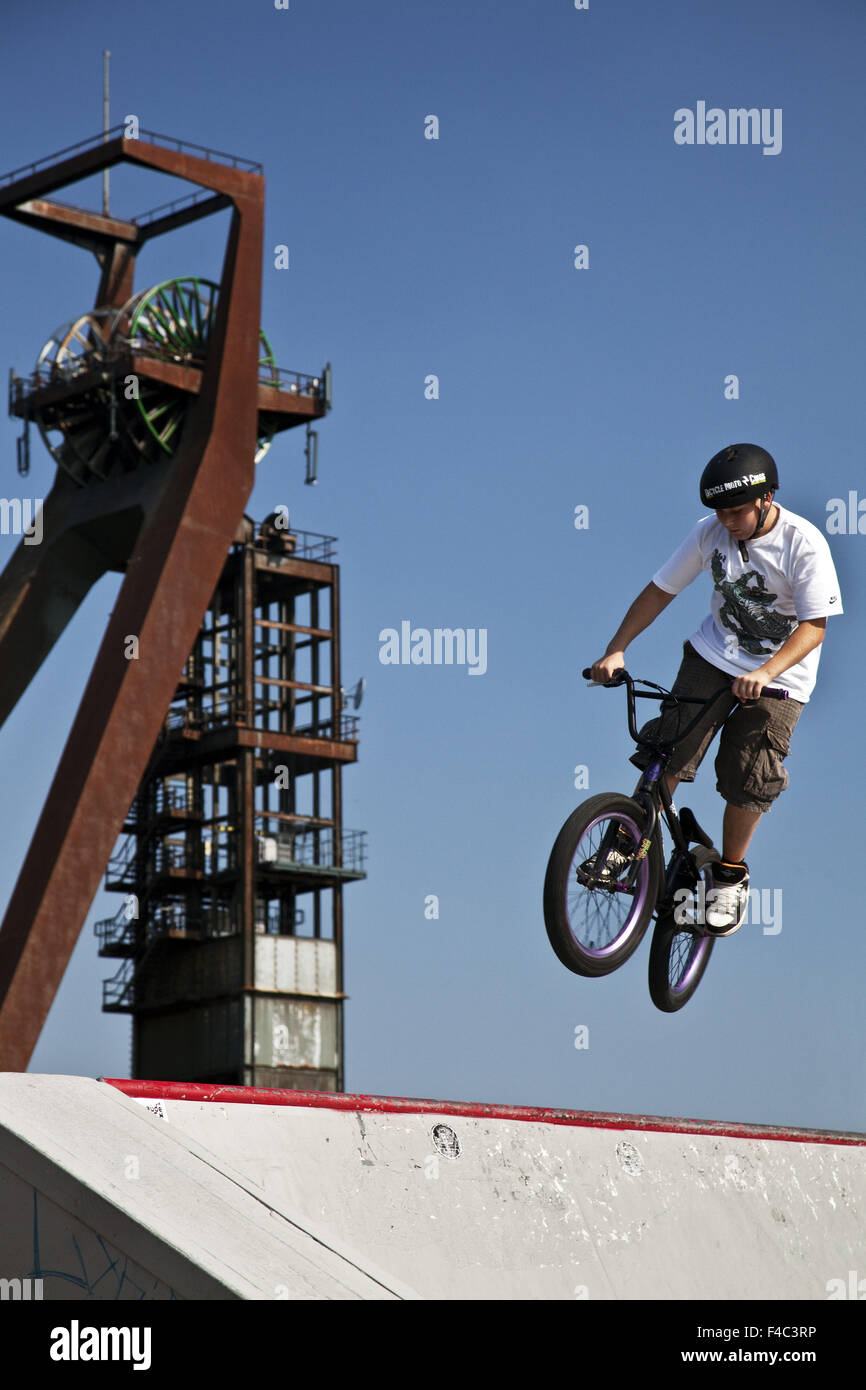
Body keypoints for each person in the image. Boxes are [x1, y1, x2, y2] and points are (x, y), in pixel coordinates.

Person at [589, 443, 843, 934]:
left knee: (748, 771)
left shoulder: (803, 544)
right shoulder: (708, 534)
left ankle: (729, 877)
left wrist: (766, 673)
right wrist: (616, 648)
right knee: (671, 744)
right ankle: (625, 841)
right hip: (713, 656)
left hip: (779, 678)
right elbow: (661, 590)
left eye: (735, 512)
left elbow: (814, 627)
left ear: (767, 499)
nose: (725, 522)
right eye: (718, 513)